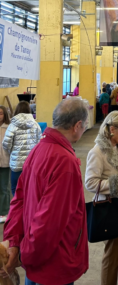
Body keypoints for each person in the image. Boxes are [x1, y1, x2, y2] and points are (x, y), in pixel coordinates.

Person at [0, 99, 89, 285]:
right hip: (53, 263)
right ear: (77, 125)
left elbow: (19, 201)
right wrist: (24, 254)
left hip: (35, 260)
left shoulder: (38, 150)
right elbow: (49, 223)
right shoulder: (65, 162)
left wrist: (15, 243)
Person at [85, 111, 118, 285]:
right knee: (113, 253)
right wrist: (117, 182)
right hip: (109, 207)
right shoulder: (97, 152)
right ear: (112, 129)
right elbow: (90, 183)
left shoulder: (117, 147)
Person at [2, 101, 41, 196]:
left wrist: (13, 152)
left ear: (17, 111)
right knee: (30, 190)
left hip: (16, 164)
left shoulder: (12, 126)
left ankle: (18, 210)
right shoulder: (36, 125)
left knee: (15, 190)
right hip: (31, 164)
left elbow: (6, 144)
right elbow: (40, 144)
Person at [0, 106, 10, 223]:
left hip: (5, 162)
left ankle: (3, 212)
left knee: (4, 188)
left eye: (1, 113)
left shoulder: (8, 128)